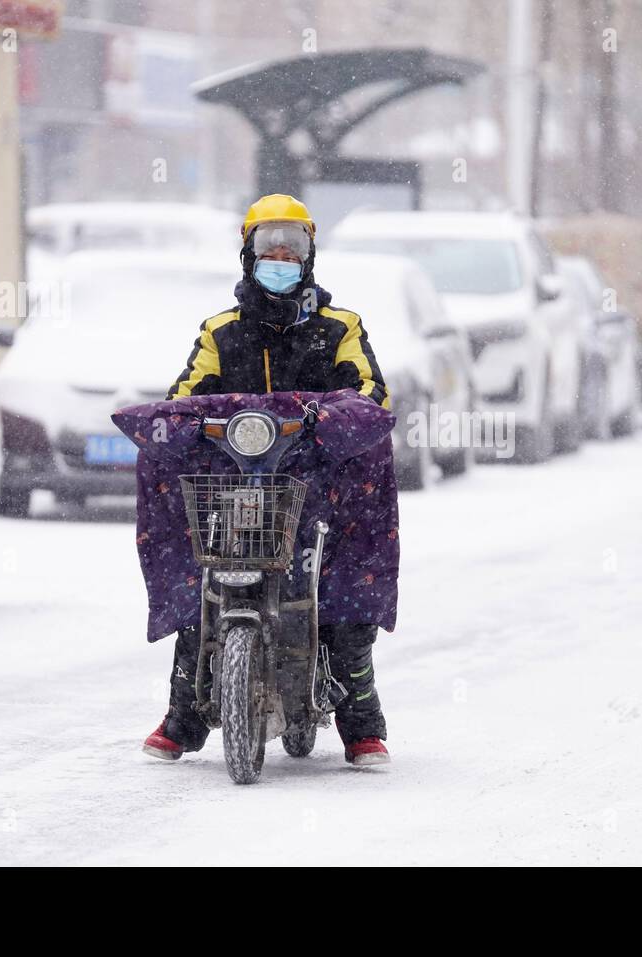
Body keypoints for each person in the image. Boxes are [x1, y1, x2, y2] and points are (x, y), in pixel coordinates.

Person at [142, 193, 392, 768]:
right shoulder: (220, 332)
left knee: (345, 596)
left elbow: (371, 395)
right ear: (246, 253)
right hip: (233, 490)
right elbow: (183, 399)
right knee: (202, 588)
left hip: (319, 490)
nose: (279, 254)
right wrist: (190, 422)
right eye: (266, 245)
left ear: (309, 253)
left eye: (292, 245)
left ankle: (362, 725)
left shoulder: (340, 328)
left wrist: (328, 417)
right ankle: (183, 717)